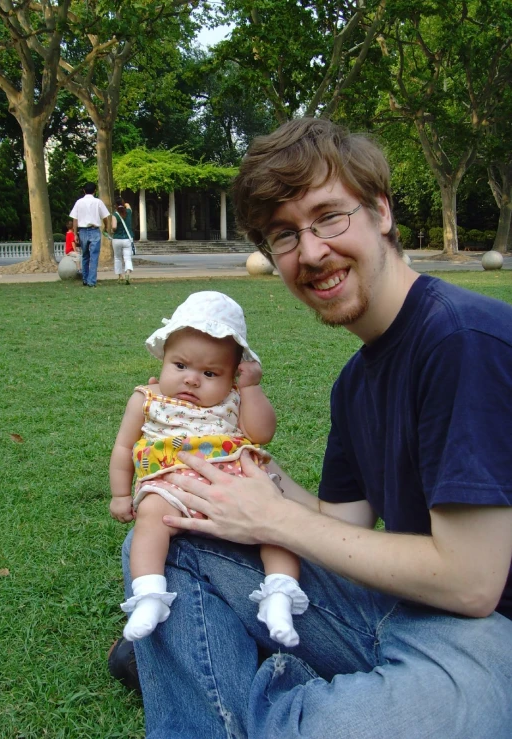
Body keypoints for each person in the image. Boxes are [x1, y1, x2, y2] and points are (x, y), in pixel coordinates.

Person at [120, 118, 512, 737]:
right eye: (284, 235)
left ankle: (227, 670)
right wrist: (255, 480)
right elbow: (342, 526)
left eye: (330, 217)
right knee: (177, 520)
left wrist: (273, 518)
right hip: (398, 607)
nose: (311, 251)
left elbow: (472, 583)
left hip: (490, 641)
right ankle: (211, 663)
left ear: (380, 211)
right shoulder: (355, 381)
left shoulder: (460, 341)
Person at [110, 291, 308, 646]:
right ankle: (149, 594)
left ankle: (279, 592)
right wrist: (121, 494)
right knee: (151, 516)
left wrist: (252, 389)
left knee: (278, 521)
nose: (191, 380)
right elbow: (124, 447)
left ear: (233, 376)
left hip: (236, 482)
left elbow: (261, 434)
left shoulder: (235, 399)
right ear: (163, 358)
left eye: (210, 372)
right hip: (172, 483)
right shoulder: (147, 399)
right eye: (180, 366)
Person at [69, 182, 110, 287]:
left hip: (82, 231)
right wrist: (106, 226)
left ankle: (85, 279)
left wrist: (75, 233)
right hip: (95, 230)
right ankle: (92, 281)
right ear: (95, 191)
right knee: (94, 256)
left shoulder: (79, 202)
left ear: (84, 190)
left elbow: (75, 219)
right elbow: (105, 216)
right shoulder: (98, 202)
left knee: (85, 256)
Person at [111, 196, 134, 284]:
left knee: (117, 258)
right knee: (127, 258)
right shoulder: (128, 212)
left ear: (115, 205)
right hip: (127, 238)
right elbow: (128, 206)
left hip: (117, 238)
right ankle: (128, 272)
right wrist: (125, 204)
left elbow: (114, 227)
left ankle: (120, 276)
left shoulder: (115, 215)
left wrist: (112, 230)